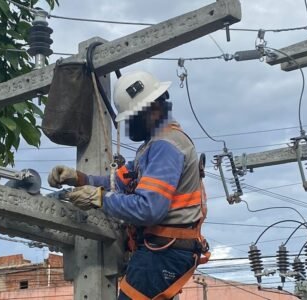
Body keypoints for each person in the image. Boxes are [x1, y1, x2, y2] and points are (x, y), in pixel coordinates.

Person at [48, 71, 209, 299]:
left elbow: (149, 208)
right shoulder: (152, 147)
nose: (129, 127)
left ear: (153, 109)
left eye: (133, 117)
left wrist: (99, 198)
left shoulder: (166, 146)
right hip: (162, 249)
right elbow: (121, 182)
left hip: (164, 251)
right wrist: (80, 179)